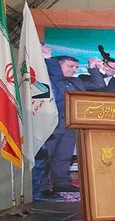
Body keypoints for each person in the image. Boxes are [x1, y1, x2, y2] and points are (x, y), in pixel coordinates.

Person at [32, 50, 104, 201]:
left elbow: (98, 84)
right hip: (51, 125)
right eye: (70, 66)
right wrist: (49, 59)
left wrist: (92, 68)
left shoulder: (76, 81)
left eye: (76, 67)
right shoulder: (48, 78)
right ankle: (42, 189)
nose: (73, 70)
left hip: (70, 125)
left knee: (63, 157)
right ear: (57, 66)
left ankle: (61, 183)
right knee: (45, 158)